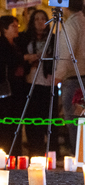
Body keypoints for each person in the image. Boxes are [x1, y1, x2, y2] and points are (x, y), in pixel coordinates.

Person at [55, 0, 85, 155]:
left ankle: (77, 153)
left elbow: (67, 53)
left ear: (65, 5)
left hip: (74, 79)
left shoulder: (71, 25)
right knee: (83, 119)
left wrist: (58, 74)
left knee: (73, 121)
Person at [18, 10, 59, 157]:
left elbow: (59, 57)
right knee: (32, 117)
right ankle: (34, 151)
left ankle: (52, 152)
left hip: (48, 82)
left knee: (49, 117)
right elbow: (19, 57)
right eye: (37, 19)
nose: (40, 22)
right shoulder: (25, 38)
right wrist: (29, 58)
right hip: (31, 82)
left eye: (43, 19)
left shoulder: (54, 39)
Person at [0, 16, 25, 157]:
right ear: (4, 28)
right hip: (5, 91)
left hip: (17, 90)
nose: (17, 29)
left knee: (16, 124)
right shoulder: (2, 44)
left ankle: (15, 155)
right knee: (6, 125)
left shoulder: (16, 44)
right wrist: (24, 59)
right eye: (13, 26)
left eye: (17, 25)